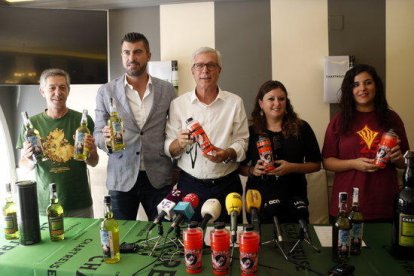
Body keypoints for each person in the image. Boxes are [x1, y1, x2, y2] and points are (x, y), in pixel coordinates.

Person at [94, 32, 175, 221]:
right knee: (121, 238)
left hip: (159, 178)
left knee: (164, 237)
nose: (132, 58)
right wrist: (105, 140)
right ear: (122, 56)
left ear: (148, 55)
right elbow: (97, 132)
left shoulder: (167, 90)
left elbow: (175, 130)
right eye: (126, 52)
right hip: (121, 178)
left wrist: (177, 168)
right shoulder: (106, 91)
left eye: (137, 52)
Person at [165, 47, 249, 222]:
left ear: (219, 70)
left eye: (211, 65)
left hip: (227, 184)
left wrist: (226, 154)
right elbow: (169, 148)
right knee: (190, 238)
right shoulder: (178, 104)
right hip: (189, 185)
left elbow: (243, 142)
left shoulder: (234, 102)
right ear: (192, 71)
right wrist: (179, 143)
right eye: (199, 65)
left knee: (228, 239)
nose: (205, 70)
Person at [322, 64, 409, 222]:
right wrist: (354, 163)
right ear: (350, 90)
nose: (362, 88)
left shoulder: (392, 118)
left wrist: (398, 159)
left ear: (376, 85)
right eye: (356, 84)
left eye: (368, 82)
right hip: (346, 204)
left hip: (384, 204)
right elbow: (327, 162)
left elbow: (405, 162)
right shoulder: (339, 121)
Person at [16, 68, 98, 217]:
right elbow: (23, 166)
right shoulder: (31, 124)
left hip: (79, 203)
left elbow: (93, 162)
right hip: (45, 204)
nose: (57, 92)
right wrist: (29, 159)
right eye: (52, 88)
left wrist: (91, 152)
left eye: (62, 87)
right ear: (42, 91)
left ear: (68, 90)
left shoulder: (83, 121)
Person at [239, 80, 321, 223]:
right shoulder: (250, 131)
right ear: (261, 103)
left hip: (294, 198)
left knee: (297, 241)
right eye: (271, 99)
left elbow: (316, 164)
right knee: (262, 243)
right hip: (259, 199)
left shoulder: (302, 127)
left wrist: (292, 167)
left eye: (281, 99)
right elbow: (238, 167)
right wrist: (253, 170)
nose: (277, 103)